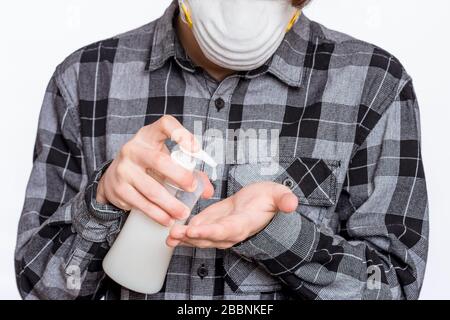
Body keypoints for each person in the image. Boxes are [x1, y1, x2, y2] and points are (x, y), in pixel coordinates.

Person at [15, 0, 429, 300]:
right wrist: (104, 200)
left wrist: (278, 235)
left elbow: (393, 288)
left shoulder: (374, 84)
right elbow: (40, 287)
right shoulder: (85, 79)